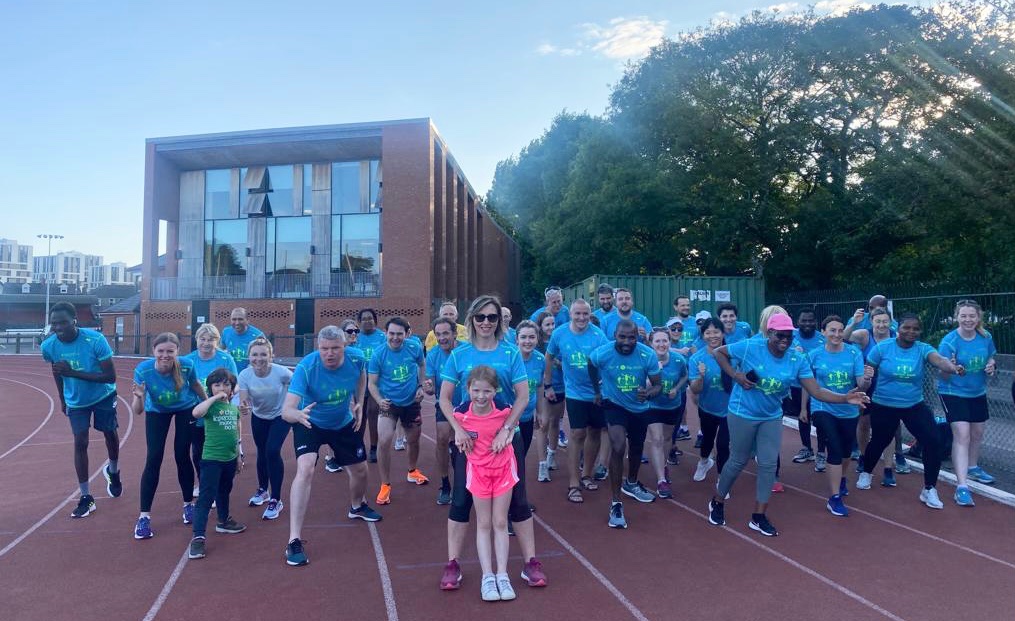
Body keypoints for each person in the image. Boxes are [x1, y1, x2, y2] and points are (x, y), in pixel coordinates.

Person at [707, 313, 869, 537]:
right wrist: (736, 376)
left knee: (768, 464)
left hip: (771, 416)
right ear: (770, 333)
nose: (785, 340)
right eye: (780, 335)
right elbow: (719, 353)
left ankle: (759, 516)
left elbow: (817, 391)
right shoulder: (751, 347)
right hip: (742, 412)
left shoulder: (796, 359)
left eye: (789, 336)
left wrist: (845, 398)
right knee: (737, 460)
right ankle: (717, 501)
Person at [439, 295, 545, 591]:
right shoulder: (459, 354)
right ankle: (453, 564)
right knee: (461, 499)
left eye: (492, 317)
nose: (486, 322)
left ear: (499, 321)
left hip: (507, 440)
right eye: (480, 317)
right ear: (471, 319)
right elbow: (445, 398)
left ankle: (530, 562)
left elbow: (523, 397)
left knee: (519, 500)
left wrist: (507, 430)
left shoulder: (511, 353)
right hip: (469, 441)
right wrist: (458, 429)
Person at [282, 325, 381, 567]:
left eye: (335, 348)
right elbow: (286, 410)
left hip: (341, 422)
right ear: (318, 348)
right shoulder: (307, 367)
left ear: (344, 347)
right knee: (305, 469)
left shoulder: (356, 357)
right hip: (309, 421)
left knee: (361, 470)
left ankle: (357, 506)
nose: (329, 353)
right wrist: (298, 415)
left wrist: (358, 400)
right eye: (324, 349)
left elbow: (362, 374)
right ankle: (294, 539)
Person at [858, 313, 965, 509]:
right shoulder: (882, 348)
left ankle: (929, 489)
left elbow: (939, 360)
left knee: (933, 441)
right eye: (907, 327)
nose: (911, 332)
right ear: (898, 329)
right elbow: (867, 374)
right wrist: (861, 390)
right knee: (880, 440)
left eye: (916, 328)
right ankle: (866, 471)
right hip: (884, 404)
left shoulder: (923, 349)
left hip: (913, 405)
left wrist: (952, 367)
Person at [42, 301, 122, 518]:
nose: (58, 328)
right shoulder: (49, 346)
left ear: (74, 321)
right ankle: (86, 497)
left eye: (63, 323)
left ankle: (113, 471)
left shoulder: (95, 340)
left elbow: (110, 376)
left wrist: (74, 374)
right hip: (76, 400)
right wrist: (62, 399)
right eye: (54, 324)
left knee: (110, 435)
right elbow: (57, 372)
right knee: (80, 441)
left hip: (103, 394)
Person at [452, 366, 521, 601]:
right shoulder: (461, 414)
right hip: (479, 471)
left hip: (503, 470)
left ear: (496, 391)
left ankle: (503, 575)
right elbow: (458, 435)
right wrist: (459, 438)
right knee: (483, 523)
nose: (481, 396)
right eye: (476, 390)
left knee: (500, 522)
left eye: (487, 391)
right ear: (468, 388)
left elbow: (513, 427)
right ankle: (487, 577)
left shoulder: (504, 410)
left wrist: (506, 434)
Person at [131, 332, 207, 540]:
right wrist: (138, 397)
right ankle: (144, 516)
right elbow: (137, 410)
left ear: (177, 352)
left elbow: (196, 385)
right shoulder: (143, 370)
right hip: (157, 412)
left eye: (170, 351)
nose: (165, 355)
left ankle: (187, 504)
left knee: (181, 455)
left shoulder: (186, 365)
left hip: (185, 409)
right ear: (154, 351)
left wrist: (209, 404)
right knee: (154, 458)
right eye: (161, 351)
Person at [589, 320, 662, 528]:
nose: (627, 342)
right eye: (622, 337)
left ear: (637, 337)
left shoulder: (647, 355)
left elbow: (658, 385)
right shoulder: (602, 353)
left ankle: (631, 482)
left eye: (631, 337)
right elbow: (591, 365)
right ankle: (616, 502)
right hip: (614, 405)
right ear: (615, 334)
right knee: (619, 446)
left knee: (637, 447)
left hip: (639, 408)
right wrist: (596, 390)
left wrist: (647, 393)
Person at [544, 299, 609, 504]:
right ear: (570, 314)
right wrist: (548, 385)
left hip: (597, 392)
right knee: (577, 433)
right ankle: (574, 482)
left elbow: (608, 357)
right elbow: (548, 356)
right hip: (574, 392)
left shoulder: (598, 335)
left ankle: (587, 474)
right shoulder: (560, 333)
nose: (582, 318)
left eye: (585, 314)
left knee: (595, 431)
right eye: (577, 314)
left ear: (590, 315)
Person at [806, 316, 871, 517]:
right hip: (822, 408)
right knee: (833, 446)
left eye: (840, 330)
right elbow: (807, 384)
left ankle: (842, 477)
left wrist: (867, 380)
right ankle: (834, 498)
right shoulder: (814, 355)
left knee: (845, 451)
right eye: (832, 330)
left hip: (849, 410)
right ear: (823, 332)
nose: (836, 334)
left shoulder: (853, 353)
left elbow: (861, 383)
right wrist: (803, 408)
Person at [938, 300, 998, 506]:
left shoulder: (985, 337)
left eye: (972, 316)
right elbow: (941, 375)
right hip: (953, 392)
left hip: (977, 392)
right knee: (962, 435)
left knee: (977, 433)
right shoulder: (949, 342)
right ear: (957, 317)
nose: (968, 320)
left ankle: (972, 468)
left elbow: (991, 358)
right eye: (963, 316)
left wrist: (991, 366)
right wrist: (950, 367)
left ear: (978, 317)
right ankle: (961, 486)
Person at [369, 317, 428, 505]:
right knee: (384, 440)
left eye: (399, 334)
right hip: (389, 403)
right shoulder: (378, 354)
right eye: (391, 333)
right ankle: (385, 484)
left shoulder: (414, 348)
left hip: (411, 402)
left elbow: (422, 365)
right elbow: (372, 383)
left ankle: (412, 471)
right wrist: (379, 400)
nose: (395, 337)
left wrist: (420, 385)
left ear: (407, 334)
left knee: (413, 439)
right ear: (385, 333)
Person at [188, 368, 246, 559]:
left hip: (230, 459)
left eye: (226, 384)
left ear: (232, 388)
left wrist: (238, 456)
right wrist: (214, 398)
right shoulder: (209, 407)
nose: (222, 388)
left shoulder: (233, 409)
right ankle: (198, 538)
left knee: (225, 491)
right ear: (210, 388)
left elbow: (237, 433)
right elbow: (196, 413)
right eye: (217, 385)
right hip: (212, 459)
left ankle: (223, 520)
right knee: (206, 497)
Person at [848, 308, 906, 479]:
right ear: (871, 322)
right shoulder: (864, 335)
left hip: (890, 387)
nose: (881, 325)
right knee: (864, 423)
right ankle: (863, 457)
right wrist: (853, 323)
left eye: (885, 321)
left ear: (890, 322)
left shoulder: (897, 337)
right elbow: (842, 337)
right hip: (867, 385)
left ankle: (888, 467)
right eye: (877, 321)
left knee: (888, 428)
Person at [239, 336, 292, 520]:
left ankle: (276, 499)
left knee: (272, 450)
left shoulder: (281, 372)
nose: (258, 358)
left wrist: (293, 406)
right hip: (259, 417)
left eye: (263, 354)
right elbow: (244, 399)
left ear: (271, 356)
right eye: (254, 355)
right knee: (262, 451)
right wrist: (244, 406)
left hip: (280, 416)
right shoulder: (245, 375)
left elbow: (297, 384)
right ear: (249, 356)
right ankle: (263, 490)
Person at [184, 323, 237, 497]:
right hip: (198, 413)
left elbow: (234, 385)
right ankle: (204, 484)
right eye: (202, 339)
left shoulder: (225, 359)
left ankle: (216, 488)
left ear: (217, 341)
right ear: (196, 339)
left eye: (211, 339)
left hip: (219, 415)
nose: (206, 343)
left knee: (218, 452)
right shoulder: (188, 360)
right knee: (198, 452)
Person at [424, 317, 463, 505]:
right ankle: (445, 483)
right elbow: (430, 386)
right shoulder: (432, 355)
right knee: (442, 438)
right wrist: (428, 386)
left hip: (466, 405)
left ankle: (463, 482)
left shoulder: (465, 350)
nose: (441, 338)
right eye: (438, 334)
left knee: (461, 444)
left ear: (455, 333)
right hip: (444, 403)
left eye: (445, 333)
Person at [688, 318, 732, 484]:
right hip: (707, 408)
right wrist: (700, 376)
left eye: (716, 332)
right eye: (708, 332)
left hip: (730, 410)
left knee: (722, 444)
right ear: (703, 335)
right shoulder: (696, 359)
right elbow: (695, 390)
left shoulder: (733, 354)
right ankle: (704, 461)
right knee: (707, 440)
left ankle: (722, 479)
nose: (712, 336)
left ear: (723, 333)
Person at [646, 327, 687, 498]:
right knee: (657, 439)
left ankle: (663, 466)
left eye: (665, 341)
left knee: (668, 438)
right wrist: (657, 371)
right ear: (651, 343)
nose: (662, 344)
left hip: (672, 405)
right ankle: (661, 480)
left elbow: (685, 377)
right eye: (658, 341)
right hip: (653, 405)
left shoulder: (678, 360)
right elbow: (644, 386)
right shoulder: (647, 360)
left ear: (670, 342)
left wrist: (677, 389)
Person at [789, 309, 828, 468]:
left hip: (817, 387)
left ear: (816, 322)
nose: (807, 324)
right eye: (804, 321)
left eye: (810, 321)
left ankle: (821, 452)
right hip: (796, 386)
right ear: (798, 322)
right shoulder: (791, 337)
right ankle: (807, 448)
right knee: (802, 416)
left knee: (820, 419)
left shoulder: (822, 339)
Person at [324, 318, 361, 473]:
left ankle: (340, 454)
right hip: (331, 390)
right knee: (332, 420)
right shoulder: (334, 351)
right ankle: (330, 457)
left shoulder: (357, 353)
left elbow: (361, 376)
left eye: (356, 331)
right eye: (350, 331)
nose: (353, 334)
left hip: (348, 389)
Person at [535, 311, 566, 481]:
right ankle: (541, 465)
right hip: (543, 388)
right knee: (543, 423)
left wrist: (558, 363)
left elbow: (566, 366)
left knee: (555, 422)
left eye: (553, 324)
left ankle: (551, 455)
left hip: (560, 386)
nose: (551, 328)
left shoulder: (560, 342)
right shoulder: (537, 344)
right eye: (547, 324)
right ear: (540, 326)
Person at [357, 308, 387, 462]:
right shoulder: (355, 337)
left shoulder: (382, 337)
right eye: (364, 319)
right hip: (359, 382)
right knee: (359, 414)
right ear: (359, 322)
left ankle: (374, 447)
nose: (367, 321)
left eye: (370, 318)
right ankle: (359, 445)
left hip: (376, 381)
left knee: (373, 412)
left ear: (375, 320)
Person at [516, 320, 546, 463]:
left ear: (537, 338)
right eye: (523, 337)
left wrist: (539, 412)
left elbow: (539, 386)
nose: (527, 341)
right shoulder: (511, 358)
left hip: (527, 417)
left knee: (521, 457)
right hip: (509, 419)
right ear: (517, 339)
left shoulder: (540, 359)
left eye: (532, 337)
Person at [220, 308, 264, 374]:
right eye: (234, 319)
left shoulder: (257, 335)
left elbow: (264, 357)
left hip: (250, 375)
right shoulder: (226, 332)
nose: (237, 323)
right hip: (231, 375)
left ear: (247, 320)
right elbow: (220, 350)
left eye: (240, 319)